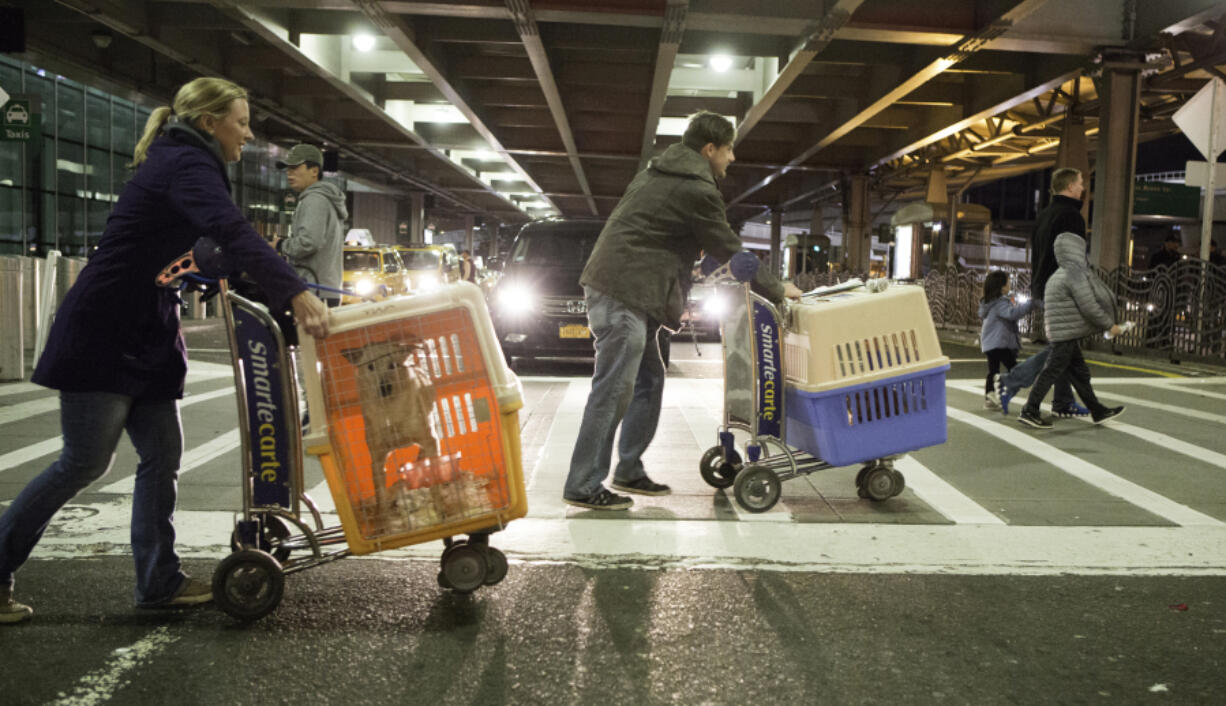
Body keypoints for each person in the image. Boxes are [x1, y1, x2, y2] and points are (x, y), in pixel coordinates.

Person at [0, 77, 330, 624]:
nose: (247, 135)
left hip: (147, 332)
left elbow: (208, 247)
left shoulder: (186, 161)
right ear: (209, 123)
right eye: (241, 122)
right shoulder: (185, 163)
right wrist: (293, 292)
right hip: (105, 329)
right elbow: (233, 229)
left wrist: (232, 277)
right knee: (82, 463)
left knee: (162, 458)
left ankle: (158, 582)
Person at [562, 111, 803, 510]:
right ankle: (583, 484)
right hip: (624, 293)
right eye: (728, 150)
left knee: (648, 381)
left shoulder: (657, 173)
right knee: (614, 391)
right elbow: (728, 245)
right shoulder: (696, 189)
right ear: (709, 149)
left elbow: (661, 233)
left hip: (627, 289)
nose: (732, 158)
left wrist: (694, 263)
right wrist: (778, 288)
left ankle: (628, 470)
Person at [1017, 232, 1125, 429]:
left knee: (1079, 373)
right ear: (1076, 250)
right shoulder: (1073, 275)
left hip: (1062, 334)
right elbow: (1089, 305)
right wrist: (1109, 325)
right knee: (1051, 372)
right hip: (1065, 335)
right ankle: (1030, 409)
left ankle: (1097, 410)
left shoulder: (1057, 276)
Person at [1027, 166, 1090, 417]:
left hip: (1042, 288)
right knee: (1063, 350)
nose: (1084, 188)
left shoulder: (1043, 215)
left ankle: (1063, 401)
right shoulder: (1072, 217)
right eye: (1081, 183)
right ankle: (1030, 397)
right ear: (1070, 186)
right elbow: (1073, 260)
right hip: (1061, 291)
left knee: (1065, 346)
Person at [274, 143, 347, 307]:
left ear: (314, 171)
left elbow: (309, 242)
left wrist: (279, 245)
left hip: (315, 290)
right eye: (288, 169)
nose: (289, 173)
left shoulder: (315, 200)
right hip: (326, 290)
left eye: (295, 168)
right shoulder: (323, 199)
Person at [978, 271, 1036, 410]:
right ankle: (1005, 383)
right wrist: (1030, 304)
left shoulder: (989, 302)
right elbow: (1012, 314)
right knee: (1014, 369)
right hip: (1000, 343)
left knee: (993, 370)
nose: (1010, 284)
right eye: (1008, 282)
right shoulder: (1000, 303)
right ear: (1001, 286)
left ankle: (989, 398)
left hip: (990, 343)